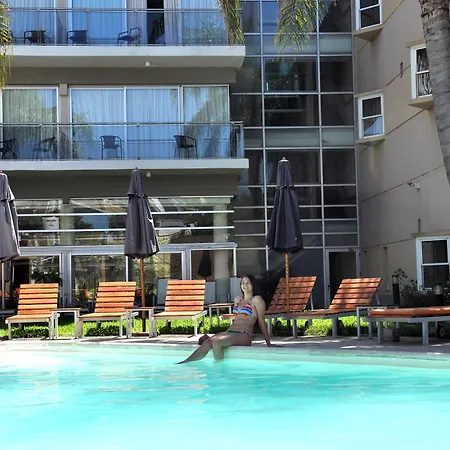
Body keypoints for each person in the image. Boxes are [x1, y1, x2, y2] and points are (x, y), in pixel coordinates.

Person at [178, 274, 274, 364]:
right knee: (208, 342)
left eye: (248, 283)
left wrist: (268, 343)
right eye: (242, 283)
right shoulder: (238, 299)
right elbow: (238, 318)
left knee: (217, 343)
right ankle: (185, 363)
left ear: (253, 285)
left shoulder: (256, 300)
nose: (245, 285)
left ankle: (219, 371)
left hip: (244, 334)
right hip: (230, 332)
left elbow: (261, 321)